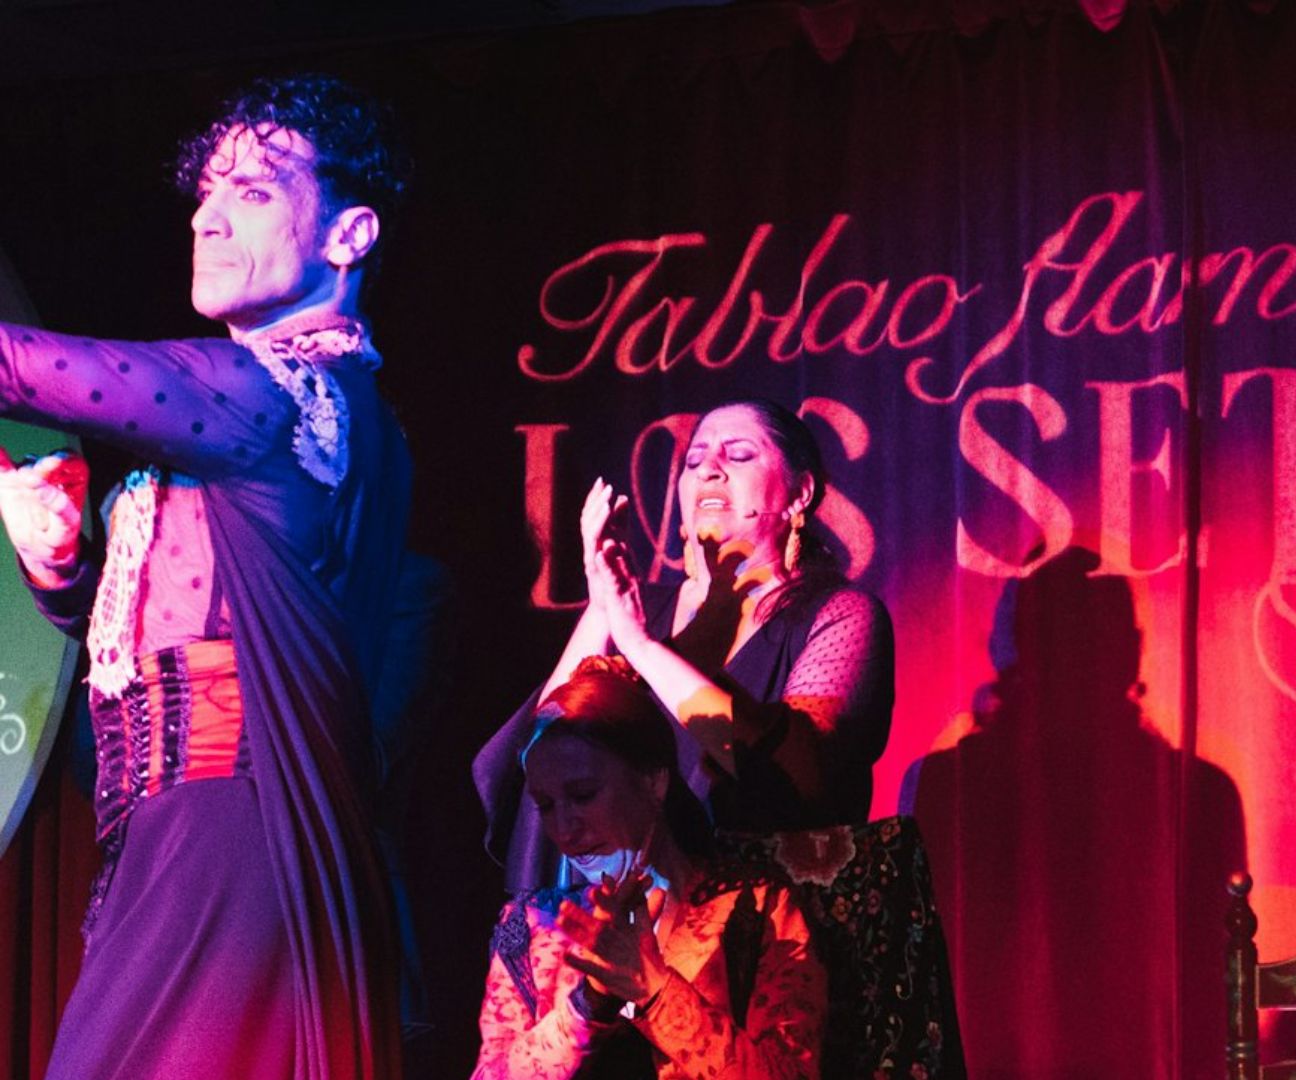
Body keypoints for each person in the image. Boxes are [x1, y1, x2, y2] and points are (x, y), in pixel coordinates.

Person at [0, 74, 410, 1076]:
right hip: (174, 840)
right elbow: (182, 632)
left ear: (348, 235)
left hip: (231, 838)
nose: (207, 219)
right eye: (206, 192)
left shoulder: (285, 397)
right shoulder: (262, 417)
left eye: (254, 192)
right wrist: (61, 567)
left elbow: (22, 368)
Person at [478, 398, 894, 889]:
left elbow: (794, 776)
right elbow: (539, 757)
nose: (709, 469)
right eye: (694, 461)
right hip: (614, 909)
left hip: (756, 912)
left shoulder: (839, 614)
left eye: (739, 455)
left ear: (799, 494)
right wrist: (602, 606)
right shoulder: (638, 606)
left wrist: (641, 646)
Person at [473, 655, 825, 1080]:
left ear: (653, 782)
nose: (563, 829)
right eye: (546, 805)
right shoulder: (532, 927)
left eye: (583, 795)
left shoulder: (756, 909)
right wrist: (588, 1003)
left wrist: (655, 989)